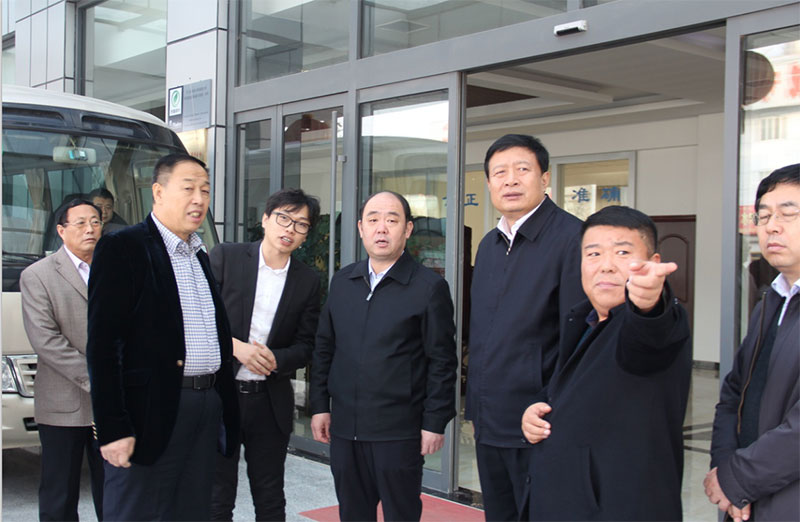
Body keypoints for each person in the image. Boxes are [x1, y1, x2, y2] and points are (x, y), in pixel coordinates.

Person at [86, 153, 240, 521]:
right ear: (158, 192)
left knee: (192, 511)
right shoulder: (124, 247)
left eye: (205, 190)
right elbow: (103, 347)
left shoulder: (198, 254)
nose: (199, 199)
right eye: (188, 189)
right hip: (150, 411)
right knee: (138, 511)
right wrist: (113, 427)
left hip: (204, 406)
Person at [521, 205, 691, 521]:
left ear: (653, 262)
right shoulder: (582, 321)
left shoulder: (653, 323)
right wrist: (539, 411)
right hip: (563, 503)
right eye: (594, 254)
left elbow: (649, 334)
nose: (606, 266)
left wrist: (649, 302)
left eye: (623, 253)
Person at [310, 191, 457, 522]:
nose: (382, 228)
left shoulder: (428, 288)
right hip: (345, 430)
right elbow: (324, 348)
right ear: (361, 228)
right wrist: (319, 406)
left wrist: (434, 422)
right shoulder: (343, 281)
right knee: (352, 514)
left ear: (407, 229)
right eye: (373, 220)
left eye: (392, 220)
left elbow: (442, 362)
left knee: (401, 514)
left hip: (399, 433)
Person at [465, 134, 585, 520]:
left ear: (545, 178)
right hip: (490, 422)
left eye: (522, 169)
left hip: (539, 422)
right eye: (500, 172)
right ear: (489, 183)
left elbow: (580, 340)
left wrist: (552, 406)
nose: (511, 180)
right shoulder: (489, 245)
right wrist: (475, 409)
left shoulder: (573, 239)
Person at [209, 188, 322, 521]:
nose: (290, 229)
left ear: (306, 234)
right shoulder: (227, 257)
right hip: (222, 397)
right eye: (284, 218)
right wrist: (236, 347)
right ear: (265, 219)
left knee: (270, 496)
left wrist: (277, 360)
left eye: (301, 224)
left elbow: (306, 345)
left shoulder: (307, 281)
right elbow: (198, 319)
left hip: (269, 402)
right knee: (216, 497)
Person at [706, 164, 800, 522]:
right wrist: (724, 467)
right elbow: (734, 393)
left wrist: (737, 479)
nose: (771, 226)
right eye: (764, 216)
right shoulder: (771, 300)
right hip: (750, 497)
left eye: (788, 214)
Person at [20, 199, 105, 521]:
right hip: (62, 405)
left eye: (95, 222)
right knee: (60, 495)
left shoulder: (116, 269)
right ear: (61, 230)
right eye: (80, 223)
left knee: (115, 491)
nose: (89, 229)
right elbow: (46, 340)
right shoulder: (38, 275)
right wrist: (98, 378)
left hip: (112, 405)